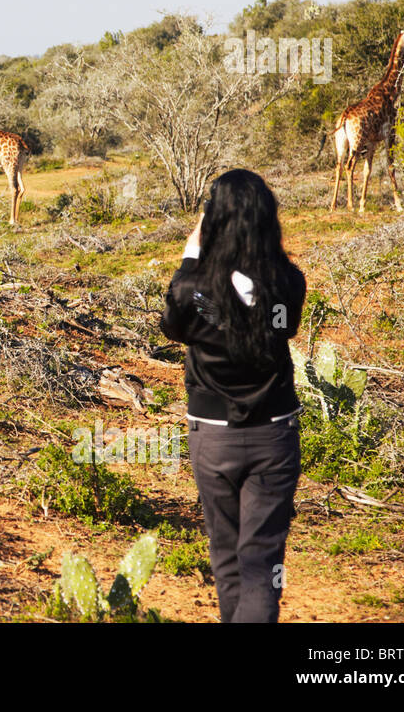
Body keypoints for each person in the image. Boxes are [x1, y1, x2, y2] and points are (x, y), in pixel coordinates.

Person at [160, 169, 307, 623]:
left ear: (212, 222)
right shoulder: (286, 283)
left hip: (213, 437)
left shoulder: (193, 290)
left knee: (225, 558)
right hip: (274, 434)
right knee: (262, 565)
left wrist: (191, 257)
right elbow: (284, 325)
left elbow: (173, 325)